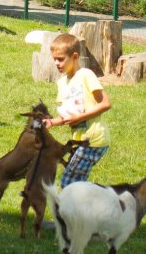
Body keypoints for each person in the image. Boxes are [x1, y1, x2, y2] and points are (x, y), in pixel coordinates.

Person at [43, 33, 112, 188]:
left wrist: (80, 118)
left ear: (74, 56)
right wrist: (51, 122)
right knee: (75, 181)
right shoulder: (62, 83)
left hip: (94, 140)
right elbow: (68, 115)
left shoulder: (86, 75)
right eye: (54, 59)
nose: (56, 63)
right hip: (79, 141)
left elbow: (105, 104)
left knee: (70, 182)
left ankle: (75, 210)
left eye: (60, 59)